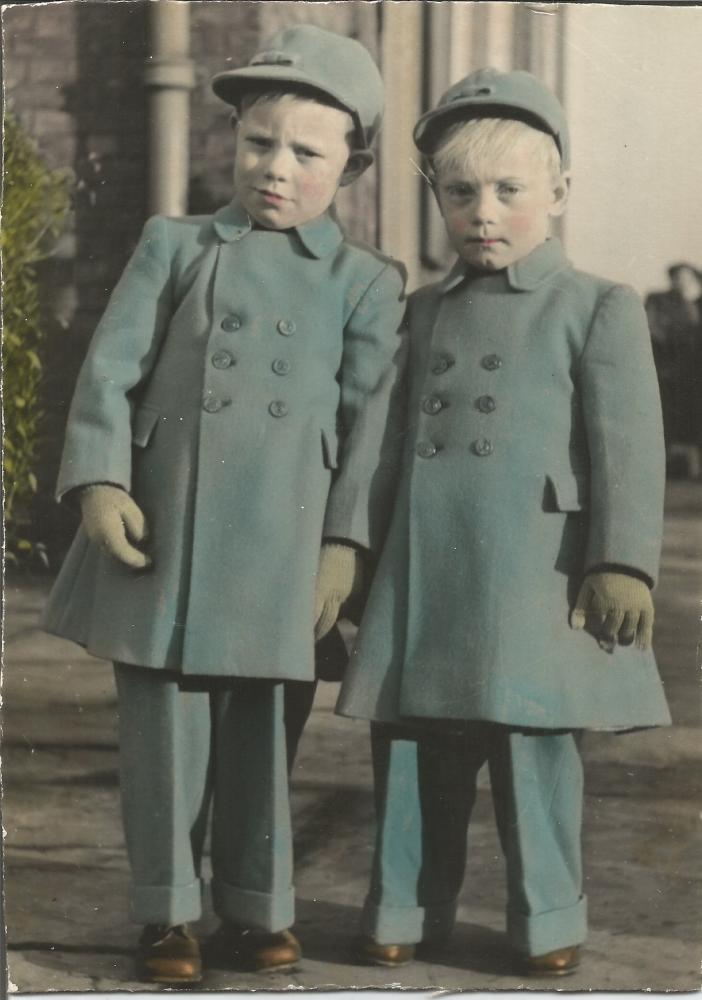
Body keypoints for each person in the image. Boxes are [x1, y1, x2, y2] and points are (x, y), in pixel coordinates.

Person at [41, 25, 405, 984]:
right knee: (161, 736)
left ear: (353, 166)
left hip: (282, 549)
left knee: (262, 734)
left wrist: (344, 547)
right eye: (258, 143)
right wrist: (101, 480)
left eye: (306, 154)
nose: (275, 169)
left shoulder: (365, 284)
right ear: (233, 141)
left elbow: (369, 433)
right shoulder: (177, 244)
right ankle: (166, 913)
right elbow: (108, 372)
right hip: (164, 537)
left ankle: (257, 906)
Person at [337, 67, 671, 977]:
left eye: (509, 190)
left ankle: (548, 917)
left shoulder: (596, 305)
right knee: (411, 749)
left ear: (557, 192)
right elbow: (381, 449)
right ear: (437, 198)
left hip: (539, 569)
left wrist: (623, 562)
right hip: (428, 572)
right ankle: (403, 903)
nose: (484, 211)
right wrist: (353, 554)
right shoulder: (423, 312)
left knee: (534, 751)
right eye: (461, 192)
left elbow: (628, 446)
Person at [645, 263, 702, 477]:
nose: (683, 282)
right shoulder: (658, 300)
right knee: (666, 418)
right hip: (668, 371)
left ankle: (693, 469)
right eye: (679, 277)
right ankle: (665, 468)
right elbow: (652, 329)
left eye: (689, 278)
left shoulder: (695, 305)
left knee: (693, 420)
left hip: (693, 374)